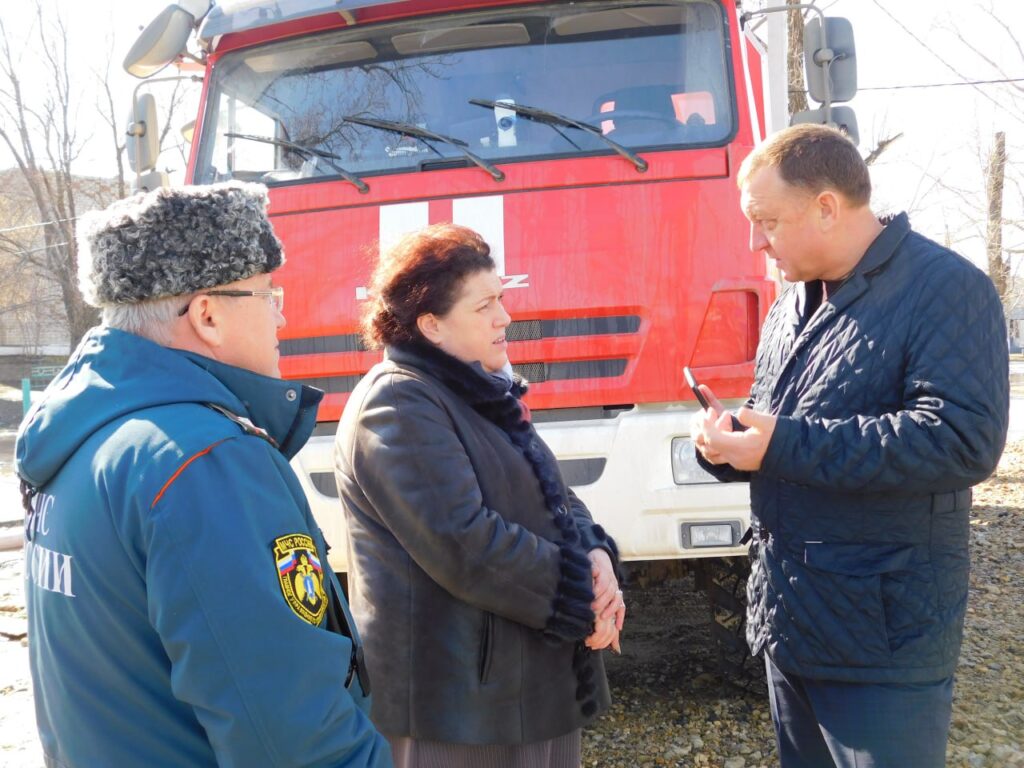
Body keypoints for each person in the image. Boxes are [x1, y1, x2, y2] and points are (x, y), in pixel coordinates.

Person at [15, 183, 392, 768]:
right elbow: (295, 739)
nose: (282, 314)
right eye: (268, 294)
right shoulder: (203, 461)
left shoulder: (84, 436)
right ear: (208, 314)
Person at [690, 124, 1009, 768]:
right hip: (792, 624)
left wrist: (781, 445)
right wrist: (727, 447)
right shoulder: (791, 305)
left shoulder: (946, 289)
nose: (756, 241)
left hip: (883, 639)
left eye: (766, 221)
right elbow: (783, 430)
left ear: (828, 207)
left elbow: (961, 440)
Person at [334, 223, 625, 768]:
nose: (505, 318)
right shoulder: (398, 402)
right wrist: (581, 596)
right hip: (455, 710)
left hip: (527, 687)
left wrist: (596, 557)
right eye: (485, 305)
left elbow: (553, 497)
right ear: (431, 325)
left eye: (502, 300)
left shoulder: (477, 391)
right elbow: (465, 545)